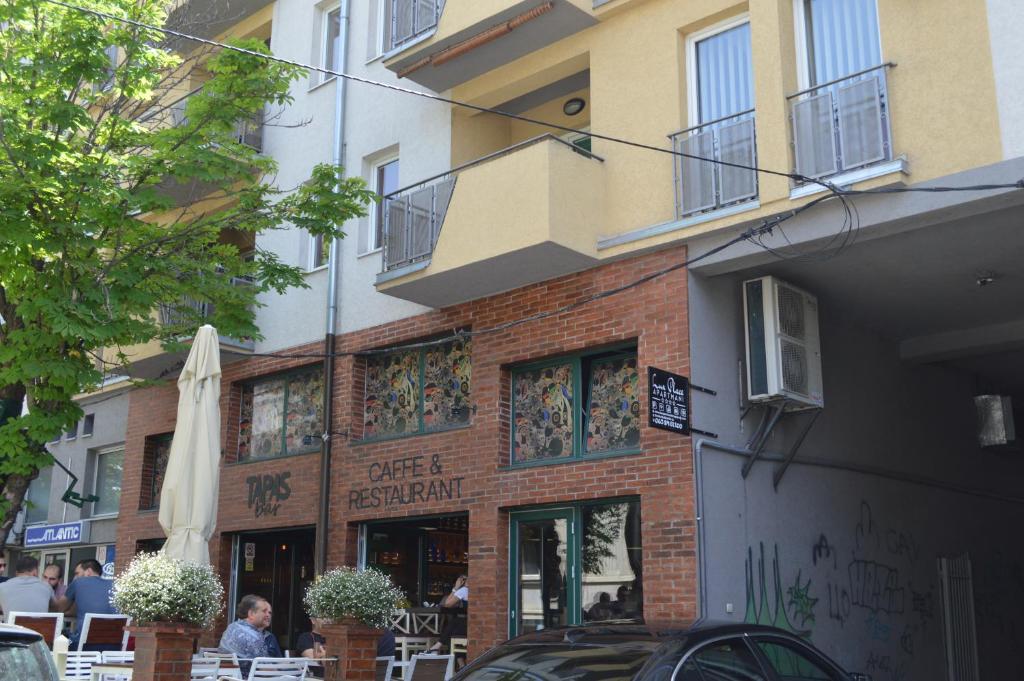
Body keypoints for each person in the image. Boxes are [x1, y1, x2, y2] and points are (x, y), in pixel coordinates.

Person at [55, 558, 118, 650]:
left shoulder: (78, 583)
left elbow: (59, 608)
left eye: (77, 573)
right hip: (114, 645)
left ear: (88, 571)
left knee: (60, 643)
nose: (74, 578)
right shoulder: (114, 585)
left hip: (84, 644)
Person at [220, 595, 282, 675]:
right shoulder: (254, 637)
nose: (268, 615)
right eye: (264, 611)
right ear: (251, 614)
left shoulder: (231, 627)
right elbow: (266, 669)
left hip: (228, 677)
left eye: (269, 612)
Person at [428, 574, 467, 653]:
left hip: (469, 626)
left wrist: (455, 588)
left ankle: (438, 645)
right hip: (474, 624)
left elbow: (447, 604)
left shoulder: (464, 590)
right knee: (452, 632)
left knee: (454, 623)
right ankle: (460, 663)